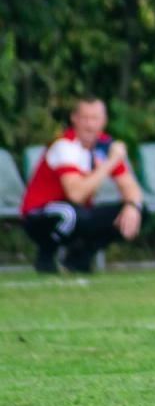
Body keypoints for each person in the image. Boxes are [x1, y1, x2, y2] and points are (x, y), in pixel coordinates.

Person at [21, 97, 147, 274]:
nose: (89, 125)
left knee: (139, 212)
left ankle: (79, 259)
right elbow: (76, 194)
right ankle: (46, 257)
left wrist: (132, 206)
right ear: (74, 119)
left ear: (104, 121)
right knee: (70, 213)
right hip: (40, 215)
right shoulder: (64, 146)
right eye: (84, 118)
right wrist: (109, 163)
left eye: (95, 118)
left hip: (79, 213)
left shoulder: (104, 146)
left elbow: (130, 187)